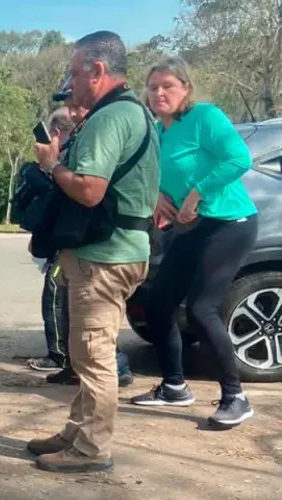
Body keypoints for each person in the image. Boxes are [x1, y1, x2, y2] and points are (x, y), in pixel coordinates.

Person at [26, 30, 160, 474]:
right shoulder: (136, 113)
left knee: (93, 354)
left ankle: (91, 449)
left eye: (75, 71)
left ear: (98, 71)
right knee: (90, 350)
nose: (70, 81)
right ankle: (77, 431)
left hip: (104, 255)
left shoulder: (108, 118)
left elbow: (89, 191)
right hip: (123, 249)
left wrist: (53, 165)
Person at [129, 56, 258, 429]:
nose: (159, 93)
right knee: (158, 303)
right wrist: (155, 195)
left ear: (186, 88)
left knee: (202, 309)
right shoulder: (156, 130)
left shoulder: (204, 117)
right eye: (153, 87)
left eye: (168, 85)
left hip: (230, 223)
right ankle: (174, 386)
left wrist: (196, 193)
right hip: (191, 228)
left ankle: (236, 396)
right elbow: (150, 173)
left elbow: (239, 158)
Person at [28, 87, 135, 389]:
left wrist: (52, 166)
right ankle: (73, 366)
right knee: (77, 314)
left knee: (95, 332)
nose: (74, 113)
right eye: (70, 109)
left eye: (78, 108)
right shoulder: (84, 138)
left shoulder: (103, 133)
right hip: (75, 241)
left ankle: (114, 369)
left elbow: (87, 191)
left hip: (102, 243)